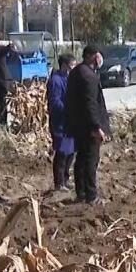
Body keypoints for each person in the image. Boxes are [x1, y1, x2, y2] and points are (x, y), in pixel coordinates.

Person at [65, 45, 110, 205]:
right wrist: (96, 127)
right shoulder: (88, 76)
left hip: (78, 126)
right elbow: (90, 103)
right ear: (92, 56)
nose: (100, 59)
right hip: (88, 127)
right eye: (99, 55)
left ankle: (81, 193)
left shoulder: (76, 72)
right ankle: (91, 195)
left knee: (82, 159)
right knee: (91, 160)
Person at [46, 54, 77, 192]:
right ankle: (59, 183)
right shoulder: (55, 81)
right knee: (62, 152)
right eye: (72, 66)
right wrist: (69, 109)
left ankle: (65, 178)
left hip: (70, 121)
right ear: (64, 65)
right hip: (60, 121)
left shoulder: (70, 79)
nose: (73, 69)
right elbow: (55, 102)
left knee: (71, 151)